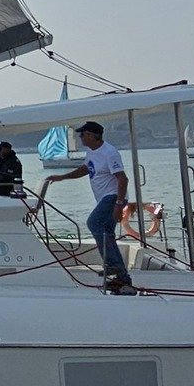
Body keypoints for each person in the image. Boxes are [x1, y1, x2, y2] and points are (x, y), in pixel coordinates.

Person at [43, 121, 132, 290]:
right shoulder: (91, 151)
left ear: (91, 135)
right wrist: (62, 177)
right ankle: (122, 277)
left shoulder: (110, 153)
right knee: (107, 234)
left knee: (94, 223)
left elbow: (123, 179)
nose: (80, 137)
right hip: (105, 198)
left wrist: (119, 205)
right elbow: (85, 169)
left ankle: (112, 265)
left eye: (82, 134)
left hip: (113, 197)